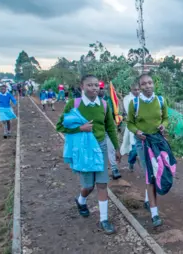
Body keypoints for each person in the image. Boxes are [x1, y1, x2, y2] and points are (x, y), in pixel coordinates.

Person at [56, 74, 121, 234]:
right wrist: (80, 128)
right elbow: (60, 126)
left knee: (102, 184)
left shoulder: (104, 105)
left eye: (96, 85)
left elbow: (110, 127)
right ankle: (81, 200)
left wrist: (117, 148)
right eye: (89, 85)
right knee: (88, 185)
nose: (93, 88)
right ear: (82, 86)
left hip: (101, 148)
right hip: (84, 149)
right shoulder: (74, 104)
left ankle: (104, 220)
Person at [127, 74, 172, 228]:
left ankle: (148, 199)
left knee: (163, 170)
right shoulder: (134, 103)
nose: (147, 86)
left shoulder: (161, 101)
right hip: (143, 143)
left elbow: (165, 118)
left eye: (150, 82)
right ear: (139, 87)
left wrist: (163, 125)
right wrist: (137, 131)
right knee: (150, 175)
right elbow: (130, 124)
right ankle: (154, 213)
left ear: (154, 84)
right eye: (144, 84)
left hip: (158, 142)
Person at [98, 81, 122, 180]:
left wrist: (118, 122)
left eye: (101, 88)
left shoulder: (109, 100)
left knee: (111, 149)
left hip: (109, 128)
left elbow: (116, 112)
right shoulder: (92, 102)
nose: (100, 90)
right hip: (97, 131)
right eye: (99, 88)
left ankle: (114, 169)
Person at [121, 82, 140, 171]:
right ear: (131, 90)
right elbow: (130, 112)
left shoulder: (142, 98)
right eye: (135, 90)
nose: (137, 91)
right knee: (134, 147)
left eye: (138, 90)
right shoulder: (127, 99)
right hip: (133, 126)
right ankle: (131, 162)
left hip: (144, 126)